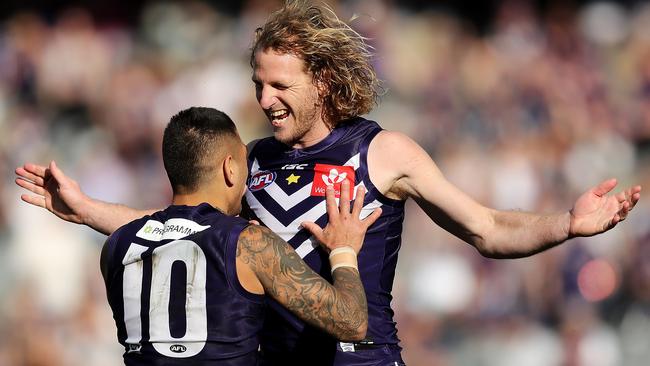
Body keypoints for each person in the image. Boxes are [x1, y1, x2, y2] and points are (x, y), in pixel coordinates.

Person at [15, 1, 642, 365]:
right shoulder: (249, 159)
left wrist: (567, 224)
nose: (264, 99)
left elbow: (485, 227)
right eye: (259, 83)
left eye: (280, 86)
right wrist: (86, 207)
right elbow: (185, 229)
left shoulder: (383, 150)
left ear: (325, 80)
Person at [97, 106, 381, 365]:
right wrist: (342, 250)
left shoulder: (116, 246)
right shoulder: (249, 244)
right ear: (230, 168)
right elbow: (351, 323)